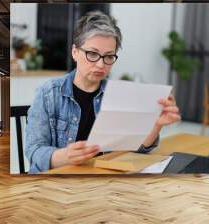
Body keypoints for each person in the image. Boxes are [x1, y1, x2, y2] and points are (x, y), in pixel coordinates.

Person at [25, 11, 180, 173]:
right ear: (75, 52)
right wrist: (65, 156)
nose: (101, 64)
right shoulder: (48, 93)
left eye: (109, 57)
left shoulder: (118, 94)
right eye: (92, 54)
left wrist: (155, 125)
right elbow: (34, 151)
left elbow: (136, 148)